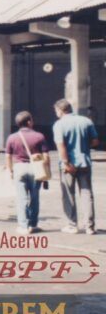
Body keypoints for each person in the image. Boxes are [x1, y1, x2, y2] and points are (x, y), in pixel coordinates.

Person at [53, 99, 99, 235]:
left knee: (68, 194)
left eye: (56, 110)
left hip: (68, 165)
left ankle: (72, 225)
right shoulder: (86, 121)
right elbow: (95, 141)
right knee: (86, 194)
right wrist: (83, 147)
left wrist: (66, 163)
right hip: (85, 162)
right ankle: (90, 226)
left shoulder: (59, 125)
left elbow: (60, 146)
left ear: (60, 111)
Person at [5, 111, 50, 235]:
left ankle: (23, 226)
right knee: (34, 198)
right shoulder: (39, 136)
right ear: (29, 122)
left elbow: (8, 156)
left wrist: (10, 170)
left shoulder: (12, 137)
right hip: (35, 169)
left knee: (21, 198)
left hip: (19, 168)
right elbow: (46, 157)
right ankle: (33, 224)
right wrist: (46, 174)